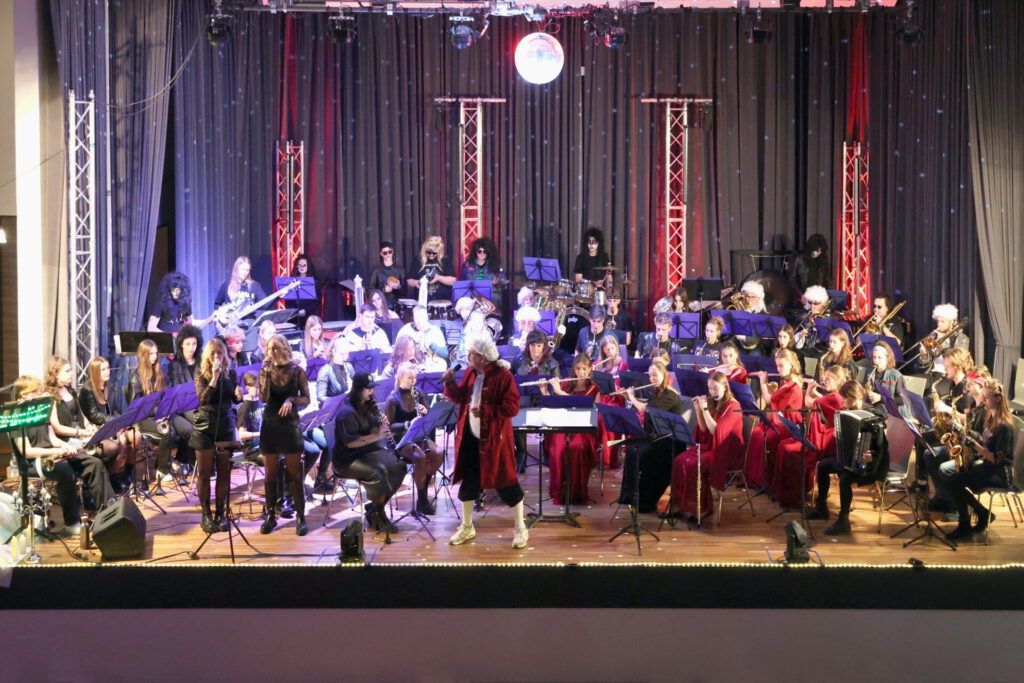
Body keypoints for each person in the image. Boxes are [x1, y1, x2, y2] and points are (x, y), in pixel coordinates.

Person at [444, 335, 529, 549]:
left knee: (506, 483)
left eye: (471, 354)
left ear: (482, 357)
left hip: (494, 439)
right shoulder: (471, 373)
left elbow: (512, 408)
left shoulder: (503, 376)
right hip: (470, 436)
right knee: (469, 481)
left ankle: (520, 528)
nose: (468, 357)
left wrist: (485, 411)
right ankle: (467, 526)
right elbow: (460, 397)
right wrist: (450, 382)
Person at [10, 376, 115, 537]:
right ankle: (71, 523)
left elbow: (52, 439)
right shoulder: (16, 416)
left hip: (52, 455)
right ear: (23, 394)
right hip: (34, 462)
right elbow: (27, 452)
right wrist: (54, 452)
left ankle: (108, 511)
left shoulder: (40, 411)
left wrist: (64, 447)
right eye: (35, 392)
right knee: (66, 472)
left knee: (93, 463)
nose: (39, 394)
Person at [808, 379, 889, 535]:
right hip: (851, 460)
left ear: (852, 398)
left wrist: (872, 456)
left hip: (872, 465)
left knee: (845, 477)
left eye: (844, 399)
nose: (842, 402)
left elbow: (882, 446)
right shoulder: (847, 412)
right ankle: (821, 507)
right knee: (823, 466)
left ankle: (843, 520)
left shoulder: (874, 416)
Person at [332, 372, 407, 533]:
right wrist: (377, 435)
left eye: (372, 388)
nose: (371, 392)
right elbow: (351, 443)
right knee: (378, 472)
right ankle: (378, 515)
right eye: (368, 389)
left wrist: (380, 424)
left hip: (367, 452)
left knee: (399, 465)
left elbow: (371, 430)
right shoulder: (347, 411)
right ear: (358, 389)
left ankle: (374, 507)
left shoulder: (366, 403)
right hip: (347, 459)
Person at [42, 357, 119, 508]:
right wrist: (81, 432)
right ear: (55, 374)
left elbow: (82, 416)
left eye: (71, 370)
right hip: (66, 439)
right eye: (67, 371)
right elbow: (57, 428)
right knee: (100, 453)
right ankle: (97, 495)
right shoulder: (49, 396)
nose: (71, 373)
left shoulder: (70, 390)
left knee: (111, 447)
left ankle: (94, 491)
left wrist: (89, 427)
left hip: (79, 433)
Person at [772, 365, 850, 510]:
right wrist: (816, 392)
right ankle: (786, 492)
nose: (824, 380)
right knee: (784, 444)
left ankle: (792, 496)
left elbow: (808, 402)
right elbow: (825, 400)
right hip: (829, 436)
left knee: (789, 449)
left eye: (828, 378)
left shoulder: (834, 397)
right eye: (824, 377)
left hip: (828, 442)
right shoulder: (837, 396)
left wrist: (809, 389)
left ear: (838, 380)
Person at [945, 379, 1015, 541]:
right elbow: (985, 442)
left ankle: (967, 523)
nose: (983, 401)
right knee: (955, 479)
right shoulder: (991, 418)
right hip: (988, 467)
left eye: (987, 398)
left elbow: (997, 459)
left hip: (1000, 474)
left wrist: (975, 446)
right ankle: (981, 514)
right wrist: (965, 434)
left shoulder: (1004, 426)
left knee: (954, 481)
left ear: (998, 398)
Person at [670, 371, 743, 521]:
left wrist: (705, 410)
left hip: (727, 452)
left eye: (716, 388)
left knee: (694, 465)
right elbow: (703, 429)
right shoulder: (715, 403)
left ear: (725, 386)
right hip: (711, 447)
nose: (712, 392)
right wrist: (698, 409)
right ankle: (679, 504)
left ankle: (702, 508)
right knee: (679, 460)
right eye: (710, 388)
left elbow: (716, 431)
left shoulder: (734, 406)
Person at [258, 335, 311, 536]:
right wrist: (264, 373)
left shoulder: (297, 371)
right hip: (270, 424)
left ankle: (301, 517)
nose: (271, 352)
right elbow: (264, 397)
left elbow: (306, 399)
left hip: (290, 425)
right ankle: (271, 515)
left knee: (294, 475)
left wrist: (291, 400)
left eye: (275, 348)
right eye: (269, 349)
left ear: (284, 348)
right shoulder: (265, 371)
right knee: (270, 475)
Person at [617, 360, 685, 513]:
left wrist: (632, 398)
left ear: (664, 375)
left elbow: (645, 409)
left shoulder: (670, 395)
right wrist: (628, 397)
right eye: (650, 375)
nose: (652, 378)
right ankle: (630, 495)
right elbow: (647, 403)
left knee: (642, 453)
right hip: (656, 437)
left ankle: (645, 500)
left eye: (655, 375)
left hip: (670, 441)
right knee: (632, 449)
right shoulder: (657, 392)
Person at [190, 339, 239, 534]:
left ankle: (220, 513)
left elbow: (232, 398)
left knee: (224, 473)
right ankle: (206, 515)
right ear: (207, 356)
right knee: (204, 473)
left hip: (225, 425)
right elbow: (203, 399)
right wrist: (214, 378)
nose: (217, 356)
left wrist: (238, 395)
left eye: (220, 353)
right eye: (213, 353)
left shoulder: (231, 373)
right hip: (205, 426)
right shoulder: (201, 374)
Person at [384, 363, 444, 515]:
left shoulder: (418, 393)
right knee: (420, 456)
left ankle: (421, 482)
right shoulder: (393, 398)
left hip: (417, 435)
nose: (413, 381)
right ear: (400, 377)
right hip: (401, 439)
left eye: (415, 378)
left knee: (438, 453)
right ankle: (422, 500)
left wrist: (425, 412)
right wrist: (408, 423)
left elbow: (428, 415)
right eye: (409, 378)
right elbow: (390, 426)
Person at [743, 349, 805, 491]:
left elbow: (770, 400)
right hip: (781, 420)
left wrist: (763, 382)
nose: (778, 369)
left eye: (781, 366)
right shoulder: (786, 380)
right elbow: (776, 398)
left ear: (791, 364)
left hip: (788, 425)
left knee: (764, 438)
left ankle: (765, 481)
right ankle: (756, 479)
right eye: (777, 366)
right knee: (756, 432)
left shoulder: (792, 383)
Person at [545, 353, 601, 505]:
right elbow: (555, 404)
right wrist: (545, 391)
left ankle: (576, 493)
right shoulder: (566, 384)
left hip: (583, 426)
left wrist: (559, 391)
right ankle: (561, 492)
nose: (581, 372)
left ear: (589, 370)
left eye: (584, 369)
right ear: (574, 369)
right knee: (558, 448)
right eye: (578, 369)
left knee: (576, 448)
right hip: (565, 424)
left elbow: (579, 403)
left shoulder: (593, 387)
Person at [125, 339, 176, 490]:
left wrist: (167, 410)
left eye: (155, 353)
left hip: (160, 415)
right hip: (143, 419)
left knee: (185, 428)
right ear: (143, 355)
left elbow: (167, 396)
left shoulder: (160, 373)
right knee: (168, 432)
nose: (154, 357)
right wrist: (158, 413)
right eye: (151, 354)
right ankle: (161, 469)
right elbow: (137, 408)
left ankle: (175, 461)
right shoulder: (136, 378)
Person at [77, 357, 134, 489]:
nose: (107, 372)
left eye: (108, 368)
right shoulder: (87, 390)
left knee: (136, 436)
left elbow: (114, 410)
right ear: (95, 372)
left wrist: (121, 421)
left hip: (111, 423)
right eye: (103, 369)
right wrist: (116, 422)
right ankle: (113, 477)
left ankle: (127, 474)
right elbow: (94, 416)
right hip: (97, 427)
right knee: (121, 440)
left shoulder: (109, 386)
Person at [166, 324, 203, 478]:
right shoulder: (175, 365)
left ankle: (186, 459)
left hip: (201, 403)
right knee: (196, 421)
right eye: (188, 344)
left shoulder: (202, 361)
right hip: (183, 406)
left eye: (194, 344)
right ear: (181, 344)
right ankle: (192, 460)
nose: (191, 348)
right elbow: (176, 390)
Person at [213, 256, 268, 329]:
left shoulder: (254, 286)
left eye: (247, 270)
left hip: (249, 324)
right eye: (242, 269)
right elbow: (217, 304)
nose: (245, 273)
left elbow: (265, 304)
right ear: (236, 269)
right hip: (231, 326)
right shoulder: (226, 285)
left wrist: (278, 297)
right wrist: (221, 316)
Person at [917, 303, 970, 376]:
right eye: (938, 321)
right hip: (932, 374)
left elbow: (958, 360)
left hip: (949, 375)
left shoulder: (962, 338)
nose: (939, 324)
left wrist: (942, 342)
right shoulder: (934, 336)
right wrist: (924, 355)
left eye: (943, 321)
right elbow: (923, 364)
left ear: (951, 322)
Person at [864, 341, 910, 419]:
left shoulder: (896, 375)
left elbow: (903, 400)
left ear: (887, 358)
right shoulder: (870, 373)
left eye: (879, 358)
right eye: (874, 357)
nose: (876, 361)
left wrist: (881, 398)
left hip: (895, 415)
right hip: (878, 411)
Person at [395, 305, 447, 371]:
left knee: (442, 365)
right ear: (413, 318)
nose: (420, 320)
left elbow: (445, 354)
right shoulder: (405, 330)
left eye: (422, 317)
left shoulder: (435, 330)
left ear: (427, 317)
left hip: (431, 365)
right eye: (417, 317)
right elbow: (397, 352)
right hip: (411, 365)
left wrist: (432, 345)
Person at [406, 235, 456, 303]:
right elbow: (409, 280)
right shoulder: (417, 260)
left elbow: (453, 280)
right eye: (428, 252)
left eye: (434, 253)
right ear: (424, 250)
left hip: (442, 301)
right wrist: (416, 283)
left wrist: (438, 278)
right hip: (422, 300)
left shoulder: (445, 260)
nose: (431, 255)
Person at [793, 285, 830, 354]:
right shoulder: (804, 316)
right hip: (804, 352)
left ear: (822, 304)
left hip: (821, 352)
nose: (812, 306)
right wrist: (800, 334)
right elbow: (793, 337)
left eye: (816, 303)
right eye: (810, 303)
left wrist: (817, 322)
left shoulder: (828, 318)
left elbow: (826, 339)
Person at [368, 241, 405, 307]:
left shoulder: (400, 270)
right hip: (380, 304)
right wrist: (383, 289)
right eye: (385, 253)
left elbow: (404, 291)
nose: (388, 254)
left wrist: (397, 287)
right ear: (381, 254)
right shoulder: (376, 270)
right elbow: (370, 290)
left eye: (389, 252)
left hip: (396, 304)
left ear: (392, 251)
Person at [290, 253, 321, 319]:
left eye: (304, 265)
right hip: (294, 315)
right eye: (299, 265)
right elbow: (288, 300)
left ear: (308, 266)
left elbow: (316, 302)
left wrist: (306, 311)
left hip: (309, 316)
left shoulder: (314, 282)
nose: (301, 267)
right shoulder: (292, 280)